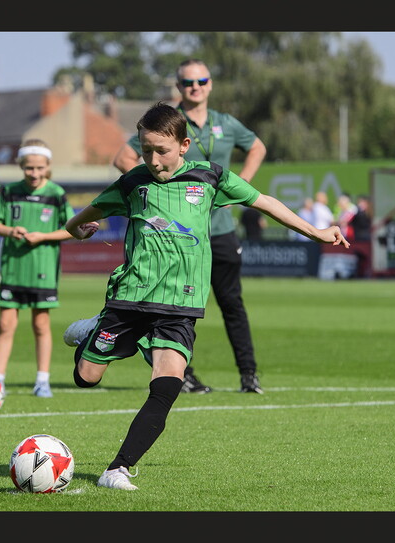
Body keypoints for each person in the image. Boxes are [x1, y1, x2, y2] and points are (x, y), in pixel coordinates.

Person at [64, 103, 349, 490]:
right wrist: (80, 229)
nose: (152, 158)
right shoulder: (132, 184)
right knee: (87, 377)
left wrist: (315, 232)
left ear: (183, 146)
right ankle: (92, 331)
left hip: (180, 306)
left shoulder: (209, 177)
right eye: (145, 150)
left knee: (167, 383)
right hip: (129, 299)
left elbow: (263, 201)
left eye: (160, 150)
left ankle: (118, 468)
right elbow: (76, 220)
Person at [111, 58, 267, 395]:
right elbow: (123, 158)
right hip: (173, 236)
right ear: (178, 87)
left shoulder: (225, 123)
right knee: (163, 305)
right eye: (187, 83)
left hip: (220, 229)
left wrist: (237, 189)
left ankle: (249, 374)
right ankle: (183, 376)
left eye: (200, 81)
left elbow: (257, 147)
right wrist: (152, 200)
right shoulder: (168, 122)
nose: (194, 88)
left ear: (210, 84)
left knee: (232, 303)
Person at [0, 139, 75, 397]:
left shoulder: (56, 194)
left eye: (39, 168)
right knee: (5, 324)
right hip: (14, 267)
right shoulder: (9, 192)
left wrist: (43, 237)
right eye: (29, 168)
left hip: (43, 269)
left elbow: (70, 229)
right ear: (21, 166)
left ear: (47, 166)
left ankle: (42, 380)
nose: (34, 173)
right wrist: (10, 230)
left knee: (40, 324)